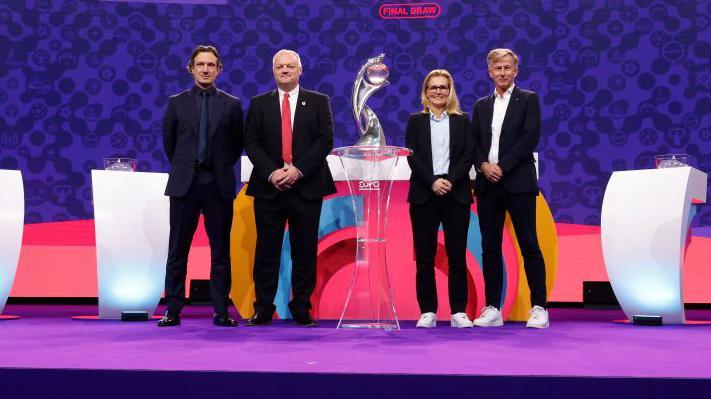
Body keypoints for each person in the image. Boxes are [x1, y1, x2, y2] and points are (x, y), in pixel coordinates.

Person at [244, 49, 336, 327]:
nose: (284, 70)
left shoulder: (319, 101)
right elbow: (252, 142)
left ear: (300, 70)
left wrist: (298, 170)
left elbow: (324, 140)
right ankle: (262, 308)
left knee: (304, 250)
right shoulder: (259, 104)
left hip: (306, 186)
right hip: (269, 187)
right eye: (279, 67)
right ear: (273, 71)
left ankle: (301, 308)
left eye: (290, 66)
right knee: (266, 250)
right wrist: (272, 172)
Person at [158, 45, 244, 327]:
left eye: (211, 64)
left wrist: (215, 167)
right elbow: (170, 145)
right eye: (200, 64)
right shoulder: (176, 103)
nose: (205, 69)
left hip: (217, 184)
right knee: (177, 250)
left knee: (221, 251)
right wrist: (188, 167)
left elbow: (235, 145)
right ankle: (172, 309)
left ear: (219, 69)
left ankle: (221, 310)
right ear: (191, 68)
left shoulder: (231, 104)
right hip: (185, 184)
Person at [470, 48, 549, 329]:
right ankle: (493, 307)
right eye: (497, 68)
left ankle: (539, 307)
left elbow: (530, 138)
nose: (502, 73)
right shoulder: (480, 106)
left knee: (529, 244)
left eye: (507, 68)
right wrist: (482, 164)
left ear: (516, 71)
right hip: (488, 185)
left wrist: (502, 166)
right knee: (490, 248)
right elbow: (474, 142)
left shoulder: (528, 100)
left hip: (518, 183)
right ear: (490, 72)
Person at [406, 70, 475, 328]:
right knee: (425, 256)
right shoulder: (415, 121)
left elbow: (468, 154)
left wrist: (451, 180)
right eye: (433, 87)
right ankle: (428, 311)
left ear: (450, 91)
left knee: (457, 255)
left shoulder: (462, 121)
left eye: (443, 87)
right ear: (425, 92)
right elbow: (412, 155)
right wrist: (433, 181)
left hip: (456, 194)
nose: (438, 91)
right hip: (425, 194)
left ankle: (458, 311)